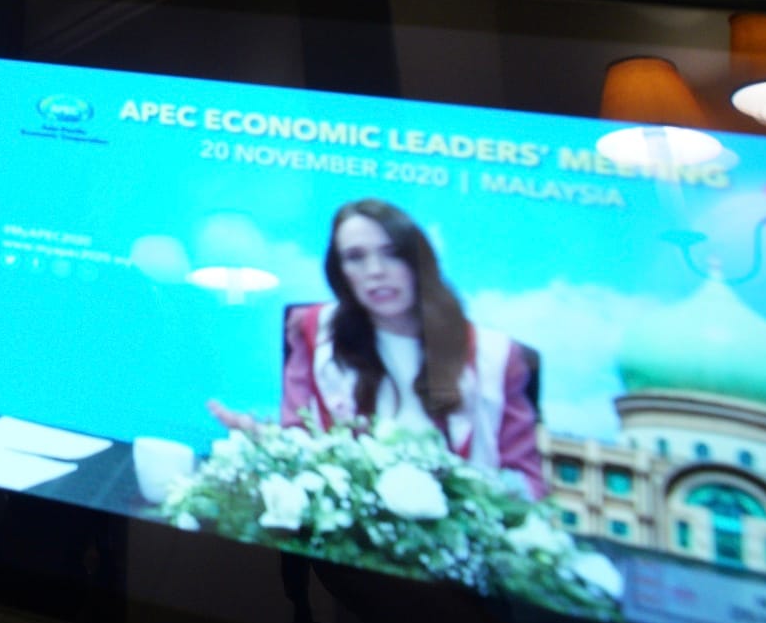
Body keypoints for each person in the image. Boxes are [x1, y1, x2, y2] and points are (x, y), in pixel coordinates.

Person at [209, 199, 544, 499]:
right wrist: (265, 441)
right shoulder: (314, 332)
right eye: (355, 258)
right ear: (340, 271)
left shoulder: (494, 356)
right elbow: (299, 439)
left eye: (392, 254)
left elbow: (528, 483)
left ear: (419, 261)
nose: (375, 272)